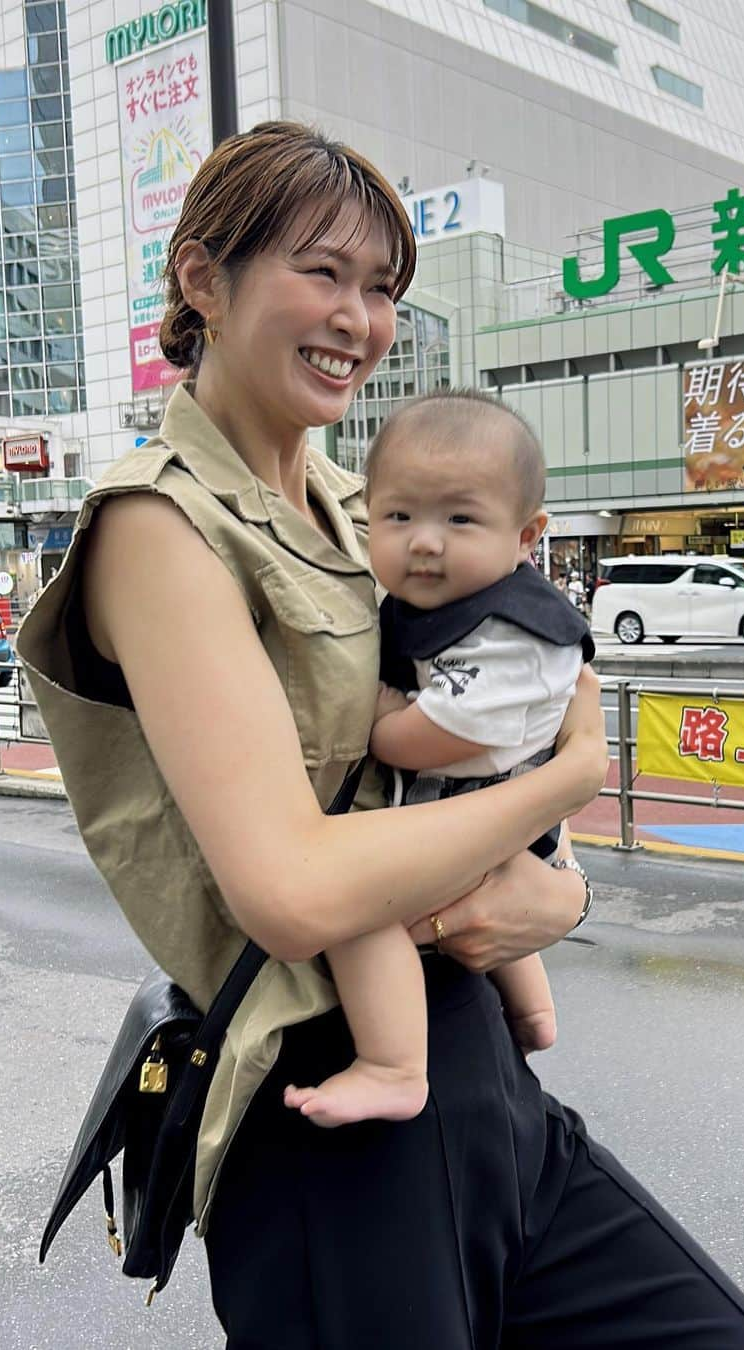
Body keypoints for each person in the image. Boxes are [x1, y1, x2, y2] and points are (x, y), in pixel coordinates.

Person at [18, 123, 744, 1348]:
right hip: (332, 1118)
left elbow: (511, 707)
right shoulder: (159, 529)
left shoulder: (355, 500)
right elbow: (289, 891)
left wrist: (560, 899)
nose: (359, 317)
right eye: (321, 272)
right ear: (203, 281)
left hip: (479, 1070)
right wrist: (575, 786)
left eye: (381, 287)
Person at [284, 389, 590, 1126]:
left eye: (459, 518)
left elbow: (451, 730)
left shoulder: (514, 631)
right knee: (498, 898)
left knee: (359, 913)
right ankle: (536, 1013)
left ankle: (393, 1065)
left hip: (473, 814)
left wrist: (386, 722)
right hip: (503, 822)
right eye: (398, 517)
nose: (425, 541)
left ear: (527, 536)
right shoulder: (458, 605)